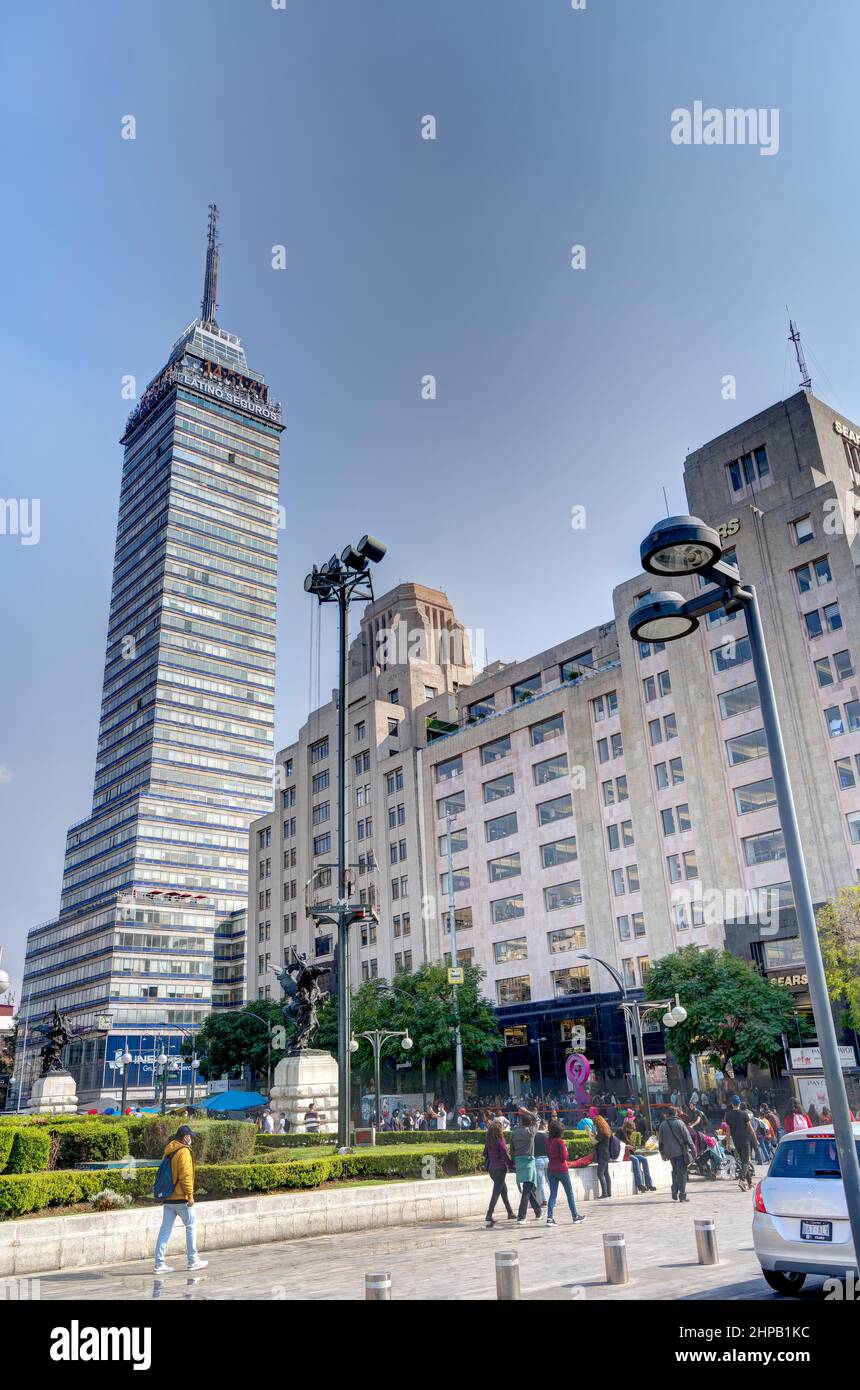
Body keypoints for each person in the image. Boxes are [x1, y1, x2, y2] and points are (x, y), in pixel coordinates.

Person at [154, 1125, 208, 1274]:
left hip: (168, 1197)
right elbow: (185, 1176)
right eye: (190, 1136)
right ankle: (193, 1260)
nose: (191, 1139)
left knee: (164, 1230)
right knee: (191, 1225)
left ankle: (159, 1264)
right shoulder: (183, 1151)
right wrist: (190, 1195)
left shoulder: (169, 1150)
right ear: (185, 1137)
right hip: (181, 1198)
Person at [545, 1119, 586, 1225]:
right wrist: (566, 1150)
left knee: (553, 1194)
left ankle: (549, 1217)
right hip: (562, 1169)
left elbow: (549, 1155)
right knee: (569, 1193)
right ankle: (575, 1216)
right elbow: (564, 1157)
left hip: (551, 1169)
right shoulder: (560, 1141)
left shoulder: (548, 1140)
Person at [510, 1106, 542, 1223]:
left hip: (518, 1161)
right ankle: (521, 1216)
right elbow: (538, 1119)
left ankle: (538, 1211)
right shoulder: (531, 1131)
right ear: (530, 1122)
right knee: (527, 1189)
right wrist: (527, 1111)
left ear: (521, 1121)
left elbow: (511, 1149)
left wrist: (513, 1161)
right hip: (528, 1161)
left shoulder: (514, 1132)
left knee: (527, 1187)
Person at [658, 1106, 696, 1202]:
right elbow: (687, 1138)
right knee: (682, 1173)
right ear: (675, 1114)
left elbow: (660, 1141)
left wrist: (662, 1153)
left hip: (670, 1154)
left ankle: (674, 1189)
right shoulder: (680, 1123)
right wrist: (693, 1149)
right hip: (680, 1152)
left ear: (667, 1114)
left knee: (675, 1171)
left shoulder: (662, 1125)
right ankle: (682, 1195)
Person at [483, 1120, 516, 1226]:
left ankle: (510, 1212)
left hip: (491, 1169)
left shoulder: (489, 1141)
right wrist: (511, 1165)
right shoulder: (500, 1140)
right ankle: (489, 1214)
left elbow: (485, 1154)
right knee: (496, 1192)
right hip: (500, 1169)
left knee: (503, 1190)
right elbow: (504, 1155)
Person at [622, 1112, 656, 1193]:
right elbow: (618, 1145)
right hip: (624, 1154)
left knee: (644, 1159)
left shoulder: (632, 1134)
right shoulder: (620, 1133)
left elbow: (634, 1147)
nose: (631, 1132)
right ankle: (640, 1184)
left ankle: (649, 1184)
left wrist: (633, 1148)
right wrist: (626, 1146)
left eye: (632, 1130)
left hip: (631, 1153)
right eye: (630, 1130)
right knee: (635, 1160)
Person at [724, 1095, 757, 1175]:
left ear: (732, 1104)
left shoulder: (728, 1115)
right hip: (745, 1140)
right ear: (739, 1104)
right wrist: (755, 1139)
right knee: (746, 1162)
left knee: (743, 1161)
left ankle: (749, 1183)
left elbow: (728, 1131)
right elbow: (751, 1129)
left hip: (736, 1141)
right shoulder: (744, 1114)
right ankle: (742, 1179)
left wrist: (727, 1143)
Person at [591, 1107, 612, 1198]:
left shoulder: (601, 1133)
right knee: (606, 1173)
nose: (594, 1125)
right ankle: (609, 1192)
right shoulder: (606, 1131)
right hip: (606, 1154)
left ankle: (604, 1194)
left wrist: (589, 1133)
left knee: (600, 1173)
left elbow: (594, 1142)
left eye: (595, 1124)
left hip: (602, 1154)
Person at [533, 1118, 549, 1206]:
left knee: (541, 1182)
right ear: (544, 1126)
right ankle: (553, 1199)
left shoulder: (534, 1136)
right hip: (548, 1159)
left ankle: (544, 1200)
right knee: (550, 1180)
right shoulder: (548, 1135)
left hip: (538, 1159)